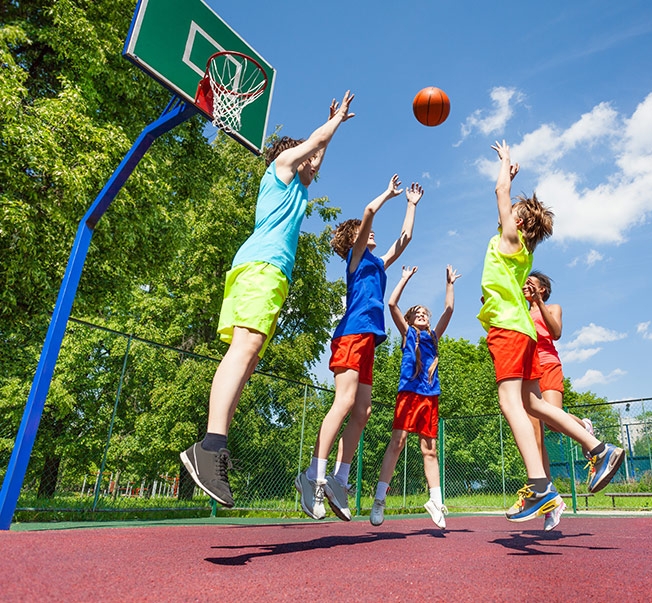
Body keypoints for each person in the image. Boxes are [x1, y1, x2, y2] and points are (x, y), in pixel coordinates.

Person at [180, 91, 355, 508]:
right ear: (292, 157)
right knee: (244, 349)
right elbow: (310, 148)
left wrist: (327, 137)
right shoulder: (279, 169)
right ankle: (210, 445)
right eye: (309, 158)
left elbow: (315, 155)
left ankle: (213, 445)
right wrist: (334, 123)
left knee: (250, 355)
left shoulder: (298, 188)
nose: (315, 164)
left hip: (270, 273)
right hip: (261, 267)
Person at [477, 140, 624, 523]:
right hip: (522, 331)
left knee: (512, 404)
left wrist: (505, 166)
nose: (505, 212)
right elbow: (505, 199)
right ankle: (597, 447)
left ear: (519, 223)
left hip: (509, 329)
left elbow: (499, 192)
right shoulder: (522, 251)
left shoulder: (509, 242)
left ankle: (540, 487)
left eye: (512, 213)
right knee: (532, 403)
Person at [296, 174, 423, 520]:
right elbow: (368, 210)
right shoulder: (356, 260)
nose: (373, 234)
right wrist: (389, 194)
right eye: (366, 231)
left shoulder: (378, 265)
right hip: (351, 334)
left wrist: (410, 206)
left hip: (369, 339)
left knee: (363, 411)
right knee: (345, 401)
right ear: (355, 238)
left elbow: (405, 238)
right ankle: (313, 475)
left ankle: (340, 477)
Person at [370, 264, 461, 529]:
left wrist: (449, 284)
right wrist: (404, 279)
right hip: (409, 394)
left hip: (430, 395)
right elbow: (391, 303)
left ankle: (435, 500)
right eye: (418, 313)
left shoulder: (433, 336)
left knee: (429, 450)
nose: (422, 315)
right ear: (410, 320)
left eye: (425, 313)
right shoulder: (408, 333)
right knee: (397, 443)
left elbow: (449, 310)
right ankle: (379, 500)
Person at [523, 270, 594, 531]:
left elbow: (556, 332)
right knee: (535, 439)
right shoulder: (521, 312)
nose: (526, 287)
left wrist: (538, 305)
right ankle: (551, 501)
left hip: (548, 364)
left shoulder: (552, 307)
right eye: (524, 284)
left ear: (542, 289)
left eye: (530, 284)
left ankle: (583, 426)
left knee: (552, 417)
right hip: (527, 372)